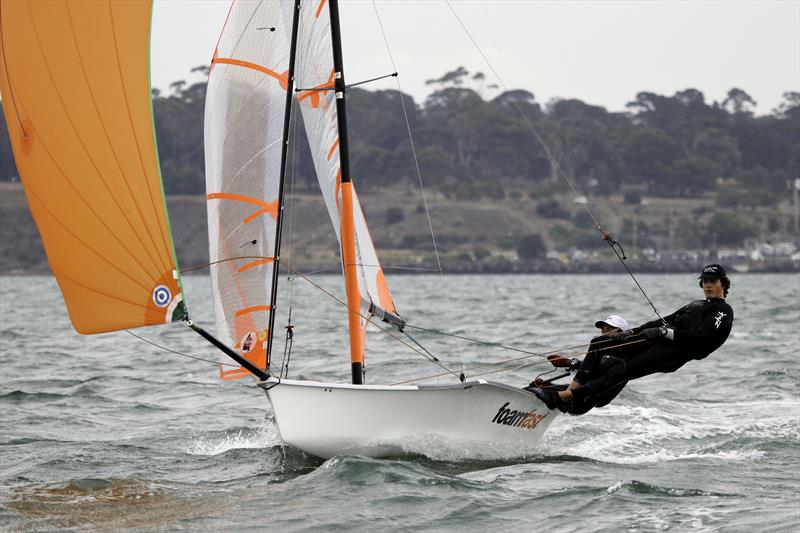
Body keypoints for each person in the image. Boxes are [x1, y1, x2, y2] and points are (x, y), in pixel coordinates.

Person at [531, 264, 734, 413]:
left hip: (675, 353)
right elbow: (664, 321)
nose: (708, 285)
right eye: (705, 281)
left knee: (623, 370)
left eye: (713, 281)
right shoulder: (696, 304)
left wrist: (666, 333)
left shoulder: (723, 311)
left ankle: (564, 397)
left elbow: (703, 338)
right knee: (599, 342)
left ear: (723, 284)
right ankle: (569, 391)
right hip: (659, 341)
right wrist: (632, 332)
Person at [526, 314, 635, 415]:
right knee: (534, 388)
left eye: (609, 330)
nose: (604, 334)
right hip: (583, 391)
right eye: (603, 331)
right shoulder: (606, 352)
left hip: (586, 398)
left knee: (537, 391)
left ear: (621, 333)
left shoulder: (622, 356)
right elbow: (592, 367)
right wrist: (566, 363)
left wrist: (568, 363)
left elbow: (597, 370)